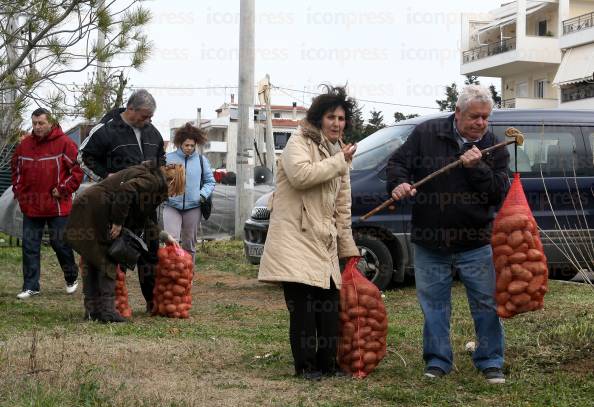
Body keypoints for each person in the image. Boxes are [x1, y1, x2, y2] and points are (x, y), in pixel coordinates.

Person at [386, 85, 510, 384]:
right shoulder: (427, 133)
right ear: (458, 113)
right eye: (474, 117)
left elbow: (498, 193)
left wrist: (477, 166)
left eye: (485, 117)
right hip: (431, 240)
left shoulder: (494, 146)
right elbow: (397, 163)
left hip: (475, 241)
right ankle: (438, 362)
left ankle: (490, 360)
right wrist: (399, 184)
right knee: (434, 306)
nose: (480, 123)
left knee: (485, 304)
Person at [258, 85, 360, 380]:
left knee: (328, 307)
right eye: (331, 117)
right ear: (318, 119)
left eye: (341, 119)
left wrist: (348, 245)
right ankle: (306, 367)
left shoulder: (339, 153)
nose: (337, 124)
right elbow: (302, 176)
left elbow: (343, 204)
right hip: (294, 238)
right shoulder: (297, 142)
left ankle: (328, 365)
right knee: (303, 309)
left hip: (323, 239)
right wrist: (340, 161)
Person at [78, 89, 165, 311]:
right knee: (117, 251)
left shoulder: (153, 133)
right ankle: (114, 304)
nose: (148, 120)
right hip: (118, 205)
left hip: (147, 205)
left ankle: (153, 303)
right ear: (130, 109)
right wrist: (108, 178)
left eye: (150, 117)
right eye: (145, 116)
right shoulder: (106, 130)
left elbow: (160, 160)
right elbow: (84, 156)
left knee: (151, 254)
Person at [64, 161, 184, 323]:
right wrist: (118, 222)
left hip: (91, 205)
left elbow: (143, 218)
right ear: (171, 182)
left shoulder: (149, 175)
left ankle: (93, 311)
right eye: (173, 191)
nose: (170, 195)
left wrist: (163, 235)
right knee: (107, 259)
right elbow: (125, 191)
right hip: (98, 208)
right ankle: (107, 312)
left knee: (93, 260)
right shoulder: (153, 182)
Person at [11, 108, 84, 299]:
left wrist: (63, 189)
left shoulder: (65, 144)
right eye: (34, 123)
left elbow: (77, 171)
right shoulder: (24, 145)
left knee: (59, 243)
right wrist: (19, 192)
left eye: (41, 123)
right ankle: (31, 286)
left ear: (51, 122)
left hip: (57, 205)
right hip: (31, 206)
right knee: (30, 245)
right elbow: (16, 169)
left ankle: (71, 277)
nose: (37, 127)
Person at [163, 123, 215, 263]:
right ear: (180, 143)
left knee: (189, 244)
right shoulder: (168, 158)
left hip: (194, 207)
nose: (189, 148)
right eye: (186, 145)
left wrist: (201, 195)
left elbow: (210, 181)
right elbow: (160, 180)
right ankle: (170, 274)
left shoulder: (201, 160)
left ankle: (187, 276)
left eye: (192, 145)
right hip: (171, 205)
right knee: (171, 241)